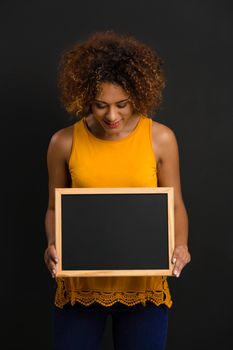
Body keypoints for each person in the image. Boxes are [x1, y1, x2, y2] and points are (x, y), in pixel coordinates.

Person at [44, 30, 191, 350]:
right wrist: (53, 245)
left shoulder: (160, 138)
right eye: (100, 105)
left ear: (138, 94)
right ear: (84, 97)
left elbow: (175, 205)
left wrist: (181, 245)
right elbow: (55, 208)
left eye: (122, 104)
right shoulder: (63, 142)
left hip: (144, 292)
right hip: (80, 292)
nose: (112, 116)